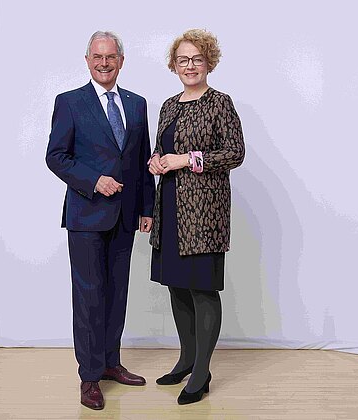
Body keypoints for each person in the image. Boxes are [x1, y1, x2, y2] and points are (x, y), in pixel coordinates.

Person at [46, 30, 155, 411]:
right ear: (87, 60)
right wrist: (94, 181)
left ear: (121, 61)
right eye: (97, 57)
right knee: (89, 298)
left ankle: (110, 363)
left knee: (116, 294)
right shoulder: (70, 102)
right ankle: (90, 376)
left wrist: (147, 208)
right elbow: (56, 156)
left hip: (125, 217)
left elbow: (141, 159)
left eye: (110, 57)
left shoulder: (137, 104)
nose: (104, 63)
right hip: (86, 216)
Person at [148, 29, 245, 405]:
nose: (190, 66)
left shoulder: (220, 103)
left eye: (197, 59)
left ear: (209, 63)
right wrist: (157, 161)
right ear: (174, 65)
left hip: (204, 214)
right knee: (177, 285)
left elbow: (235, 153)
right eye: (183, 60)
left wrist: (187, 160)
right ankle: (186, 359)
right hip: (170, 208)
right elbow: (162, 149)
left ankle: (202, 371)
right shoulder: (168, 106)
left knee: (202, 289)